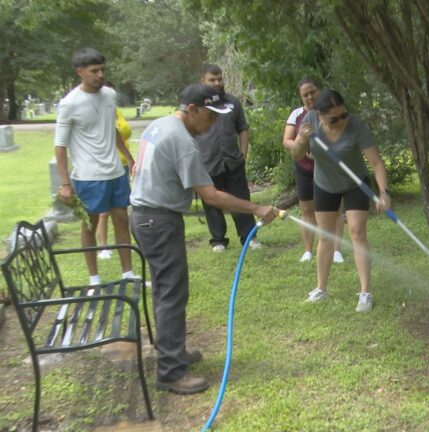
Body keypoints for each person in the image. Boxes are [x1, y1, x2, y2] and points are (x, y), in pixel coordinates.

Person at [130, 83, 277, 394]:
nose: (213, 123)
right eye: (210, 116)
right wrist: (257, 207)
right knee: (172, 293)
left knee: (164, 288)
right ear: (192, 110)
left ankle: (172, 352)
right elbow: (211, 196)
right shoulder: (182, 141)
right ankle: (170, 372)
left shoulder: (158, 125)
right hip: (158, 220)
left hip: (145, 217)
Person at [291, 90, 391, 313]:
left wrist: (384, 193)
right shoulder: (309, 122)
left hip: (355, 183)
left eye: (343, 115)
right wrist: (301, 139)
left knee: (357, 232)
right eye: (334, 118)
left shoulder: (356, 126)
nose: (341, 121)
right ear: (320, 115)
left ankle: (365, 293)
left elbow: (376, 163)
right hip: (324, 183)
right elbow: (297, 155)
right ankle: (321, 289)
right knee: (325, 236)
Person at [54, 48, 136, 285]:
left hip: (115, 172)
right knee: (89, 225)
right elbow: (60, 147)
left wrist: (129, 158)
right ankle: (94, 278)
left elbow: (112, 130)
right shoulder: (69, 104)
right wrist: (65, 184)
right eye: (94, 71)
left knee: (122, 220)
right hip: (88, 176)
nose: (100, 75)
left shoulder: (110, 95)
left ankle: (128, 273)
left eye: (102, 70)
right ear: (80, 72)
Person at [195, 64, 259, 253]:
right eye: (212, 80)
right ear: (203, 81)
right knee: (212, 202)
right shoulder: (197, 106)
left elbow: (243, 129)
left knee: (240, 199)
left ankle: (249, 237)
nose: (217, 83)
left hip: (233, 161)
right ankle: (218, 241)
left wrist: (243, 154)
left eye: (220, 79)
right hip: (207, 163)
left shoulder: (232, 102)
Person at [282, 79, 345, 263]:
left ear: (319, 91)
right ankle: (308, 250)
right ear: (301, 97)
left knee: (335, 209)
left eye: (313, 92)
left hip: (328, 169)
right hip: (304, 168)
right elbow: (287, 140)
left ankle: (336, 250)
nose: (310, 97)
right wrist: (301, 146)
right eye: (305, 94)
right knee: (306, 209)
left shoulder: (330, 111)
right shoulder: (296, 115)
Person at [96, 81, 132, 260]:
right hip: (105, 165)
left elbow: (121, 135)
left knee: (120, 211)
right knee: (103, 211)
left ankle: (123, 247)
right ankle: (102, 247)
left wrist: (131, 159)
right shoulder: (99, 113)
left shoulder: (116, 111)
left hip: (122, 164)